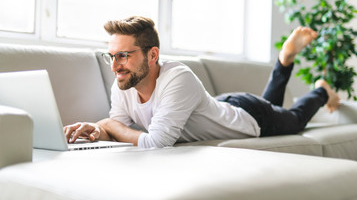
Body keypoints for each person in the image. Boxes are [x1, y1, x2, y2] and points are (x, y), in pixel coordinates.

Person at [64, 16, 340, 148]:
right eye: (110, 56)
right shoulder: (123, 83)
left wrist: (108, 125)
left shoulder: (178, 77)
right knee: (271, 104)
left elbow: (157, 143)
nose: (115, 66)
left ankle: (321, 91)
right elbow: (120, 128)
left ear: (153, 55)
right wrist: (98, 130)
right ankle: (285, 60)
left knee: (293, 118)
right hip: (221, 106)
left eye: (123, 56)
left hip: (251, 117)